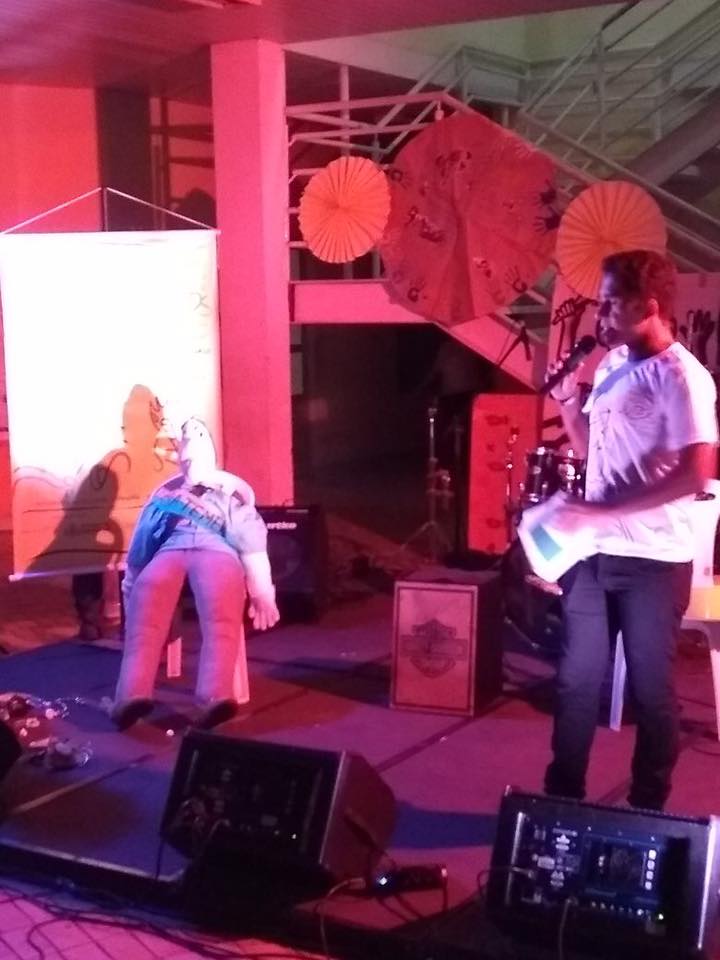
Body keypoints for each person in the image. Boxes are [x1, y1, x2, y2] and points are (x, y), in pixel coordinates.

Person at [543, 249, 718, 810]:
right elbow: (590, 449)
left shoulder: (684, 378)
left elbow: (697, 473)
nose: (601, 314)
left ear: (650, 306)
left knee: (651, 691)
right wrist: (568, 404)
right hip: (593, 553)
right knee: (575, 681)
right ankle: (561, 800)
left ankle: (647, 806)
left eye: (611, 303)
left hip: (653, 561)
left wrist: (605, 511)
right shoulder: (612, 364)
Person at [108, 417, 280, 730]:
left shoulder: (196, 497)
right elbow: (251, 545)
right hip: (197, 554)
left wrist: (262, 591)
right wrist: (262, 590)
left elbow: (140, 551)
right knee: (211, 623)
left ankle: (138, 693)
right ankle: (205, 695)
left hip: (198, 553)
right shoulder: (174, 499)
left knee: (155, 625)